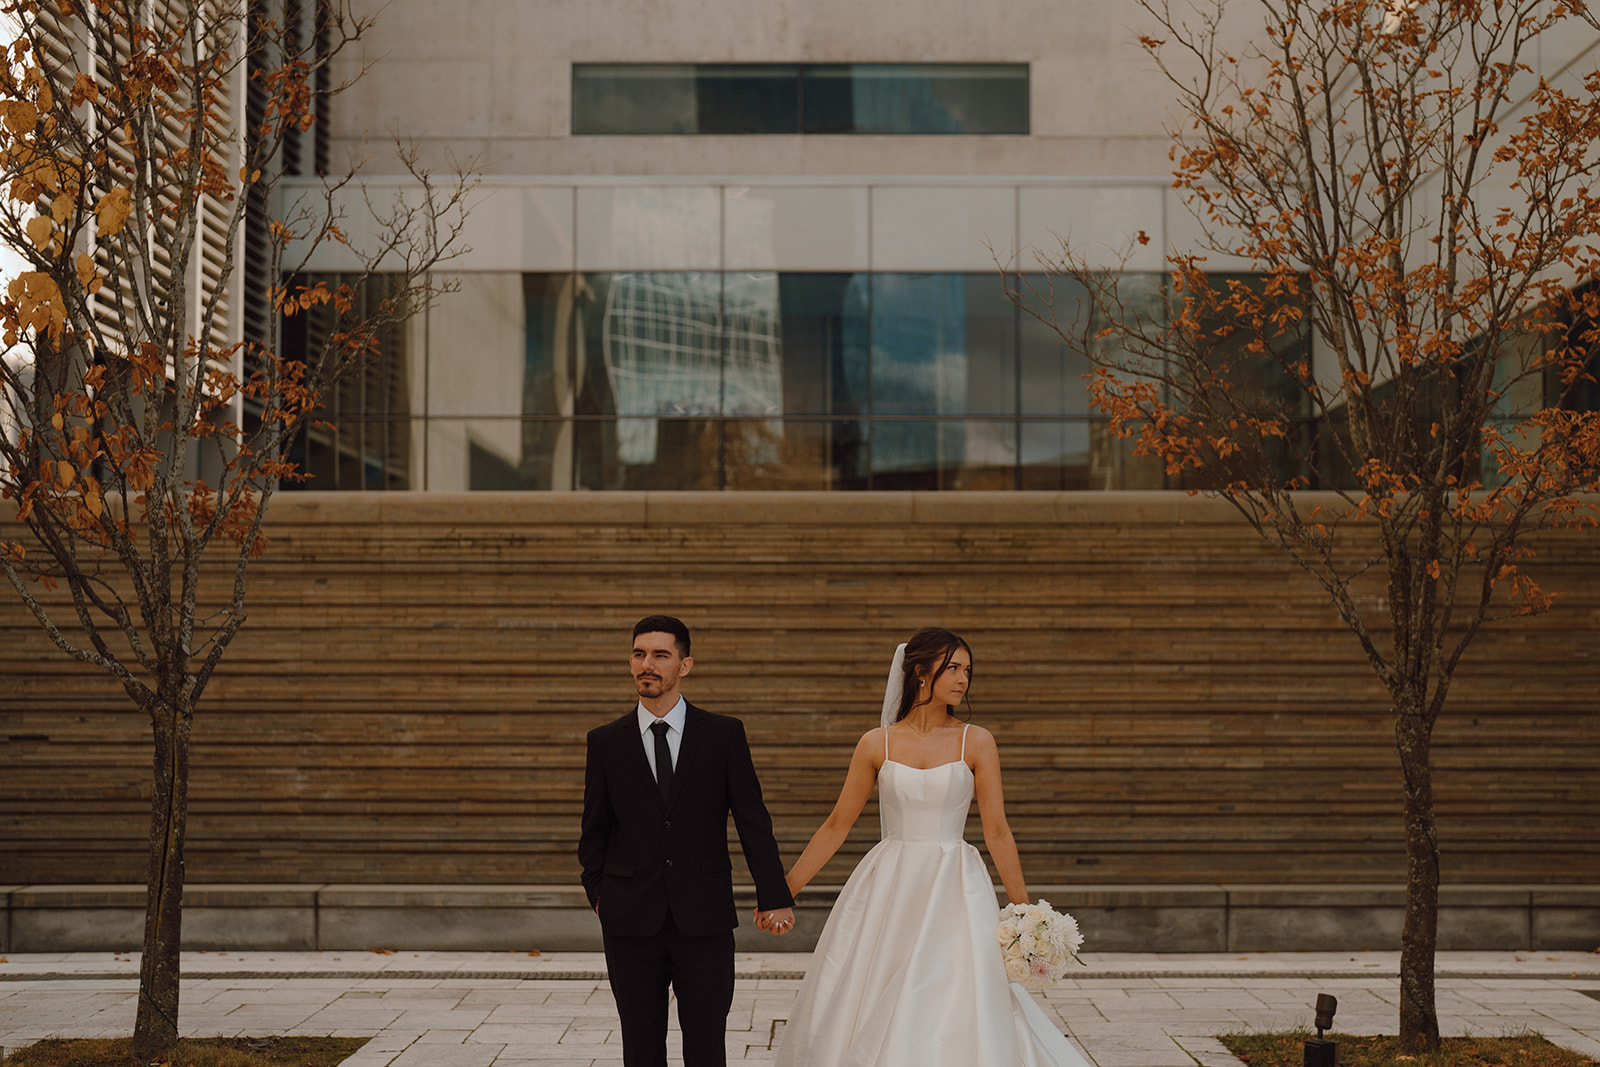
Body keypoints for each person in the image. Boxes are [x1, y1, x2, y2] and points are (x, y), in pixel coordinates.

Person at [773, 627, 1093, 1066]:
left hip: (955, 885)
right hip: (890, 882)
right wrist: (783, 890)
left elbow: (998, 831)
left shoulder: (976, 740)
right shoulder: (875, 743)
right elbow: (835, 826)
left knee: (953, 986)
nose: (963, 679)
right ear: (922, 673)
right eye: (953, 668)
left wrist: (1026, 916)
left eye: (967, 670)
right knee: (873, 981)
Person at [579, 615, 796, 1067]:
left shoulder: (723, 735)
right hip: (630, 920)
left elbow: (753, 822)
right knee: (640, 1047)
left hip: (705, 919)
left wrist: (774, 895)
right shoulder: (604, 742)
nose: (647, 664)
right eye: (639, 654)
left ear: (685, 665)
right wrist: (601, 895)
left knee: (706, 1046)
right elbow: (594, 831)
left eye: (661, 655)